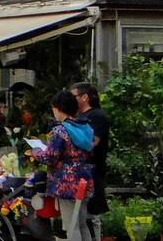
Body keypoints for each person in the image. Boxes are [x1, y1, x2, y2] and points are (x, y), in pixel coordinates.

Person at [33, 90, 94, 241]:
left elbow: (50, 157)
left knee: (71, 225)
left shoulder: (60, 130)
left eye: (53, 108)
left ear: (59, 108)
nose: (53, 112)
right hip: (84, 179)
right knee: (82, 224)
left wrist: (36, 152)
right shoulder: (84, 127)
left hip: (66, 182)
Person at [72, 82, 110, 240]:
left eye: (73, 96)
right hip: (80, 171)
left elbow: (92, 142)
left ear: (84, 97)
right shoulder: (78, 117)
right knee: (81, 216)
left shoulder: (97, 116)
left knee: (91, 215)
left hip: (93, 171)